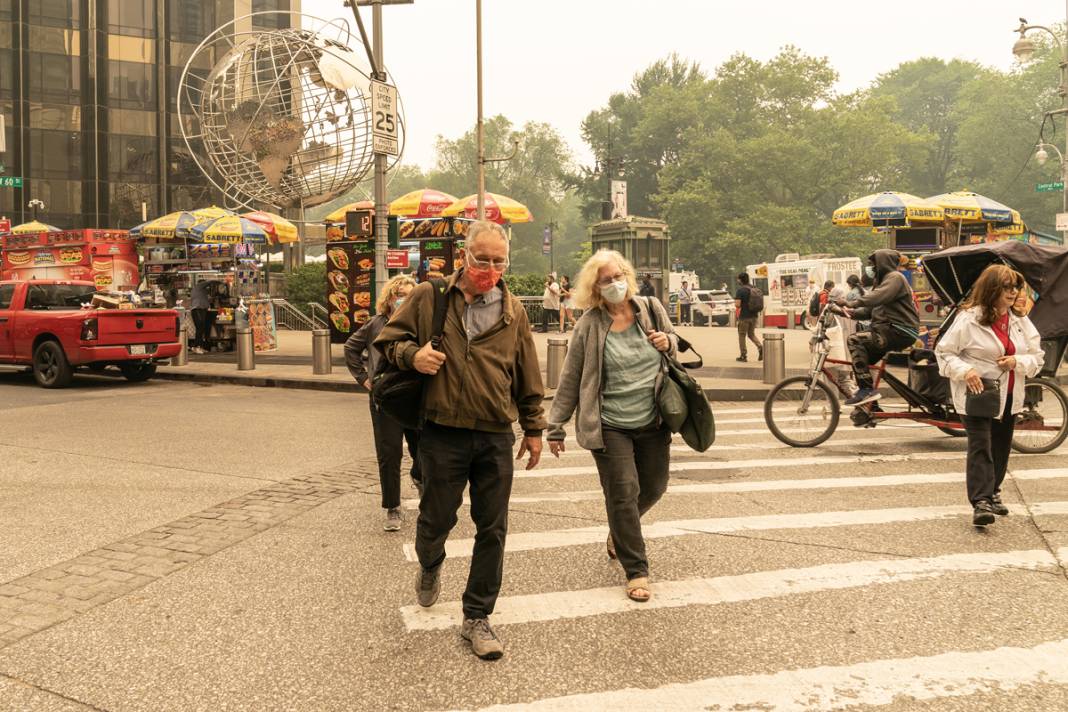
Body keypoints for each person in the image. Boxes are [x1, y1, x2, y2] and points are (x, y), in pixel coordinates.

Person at [375, 220, 546, 661]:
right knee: (436, 520)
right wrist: (414, 355)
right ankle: (430, 563)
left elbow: (527, 371)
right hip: (441, 431)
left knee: (493, 527)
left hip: (493, 433)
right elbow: (386, 341)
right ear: (463, 257)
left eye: (498, 260)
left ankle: (477, 616)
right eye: (481, 258)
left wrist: (533, 428)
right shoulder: (429, 296)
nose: (489, 267)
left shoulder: (513, 310)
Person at [547, 249, 677, 604]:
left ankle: (620, 530)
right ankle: (637, 570)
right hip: (609, 425)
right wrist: (555, 425)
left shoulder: (650, 309)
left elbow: (673, 344)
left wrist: (669, 342)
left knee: (654, 486)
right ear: (595, 287)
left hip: (653, 419)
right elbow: (571, 377)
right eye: (607, 279)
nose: (616, 283)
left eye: (619, 276)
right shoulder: (589, 324)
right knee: (622, 491)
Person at [936, 265, 1043, 526]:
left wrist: (1016, 361)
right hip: (977, 394)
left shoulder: (1019, 321)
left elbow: (1037, 358)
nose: (1013, 293)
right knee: (981, 446)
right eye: (1007, 287)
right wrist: (966, 370)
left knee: (1001, 446)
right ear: (992, 289)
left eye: (1015, 287)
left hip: (1009, 395)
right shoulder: (968, 319)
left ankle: (994, 492)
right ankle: (981, 501)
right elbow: (944, 353)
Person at [345, 275, 420, 531]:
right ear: (389, 298)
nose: (403, 299)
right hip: (385, 399)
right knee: (389, 453)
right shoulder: (375, 325)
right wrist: (364, 379)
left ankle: (419, 477)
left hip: (415, 396)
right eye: (399, 294)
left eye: (410, 295)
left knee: (422, 449)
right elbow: (350, 349)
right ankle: (393, 507)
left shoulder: (420, 323)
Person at [839, 249, 920, 406]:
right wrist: (846, 312)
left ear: (883, 263)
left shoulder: (895, 278)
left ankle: (866, 391)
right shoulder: (880, 282)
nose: (871, 268)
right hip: (886, 330)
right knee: (860, 363)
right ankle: (871, 407)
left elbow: (877, 296)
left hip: (900, 330)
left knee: (854, 340)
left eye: (873, 264)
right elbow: (868, 312)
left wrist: (852, 302)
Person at [734, 272, 763, 362]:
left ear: (741, 280)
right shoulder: (753, 288)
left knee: (742, 335)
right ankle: (760, 347)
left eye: (738, 279)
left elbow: (738, 305)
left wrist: (737, 303)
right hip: (754, 316)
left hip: (744, 317)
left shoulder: (740, 290)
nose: (737, 280)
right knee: (751, 334)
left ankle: (743, 355)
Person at [189, 279, 215, 355]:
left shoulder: (202, 291)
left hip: (202, 310)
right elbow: (209, 282)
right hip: (197, 310)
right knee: (199, 328)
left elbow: (207, 299)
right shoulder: (198, 287)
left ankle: (200, 347)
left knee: (202, 328)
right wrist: (218, 281)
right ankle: (196, 347)